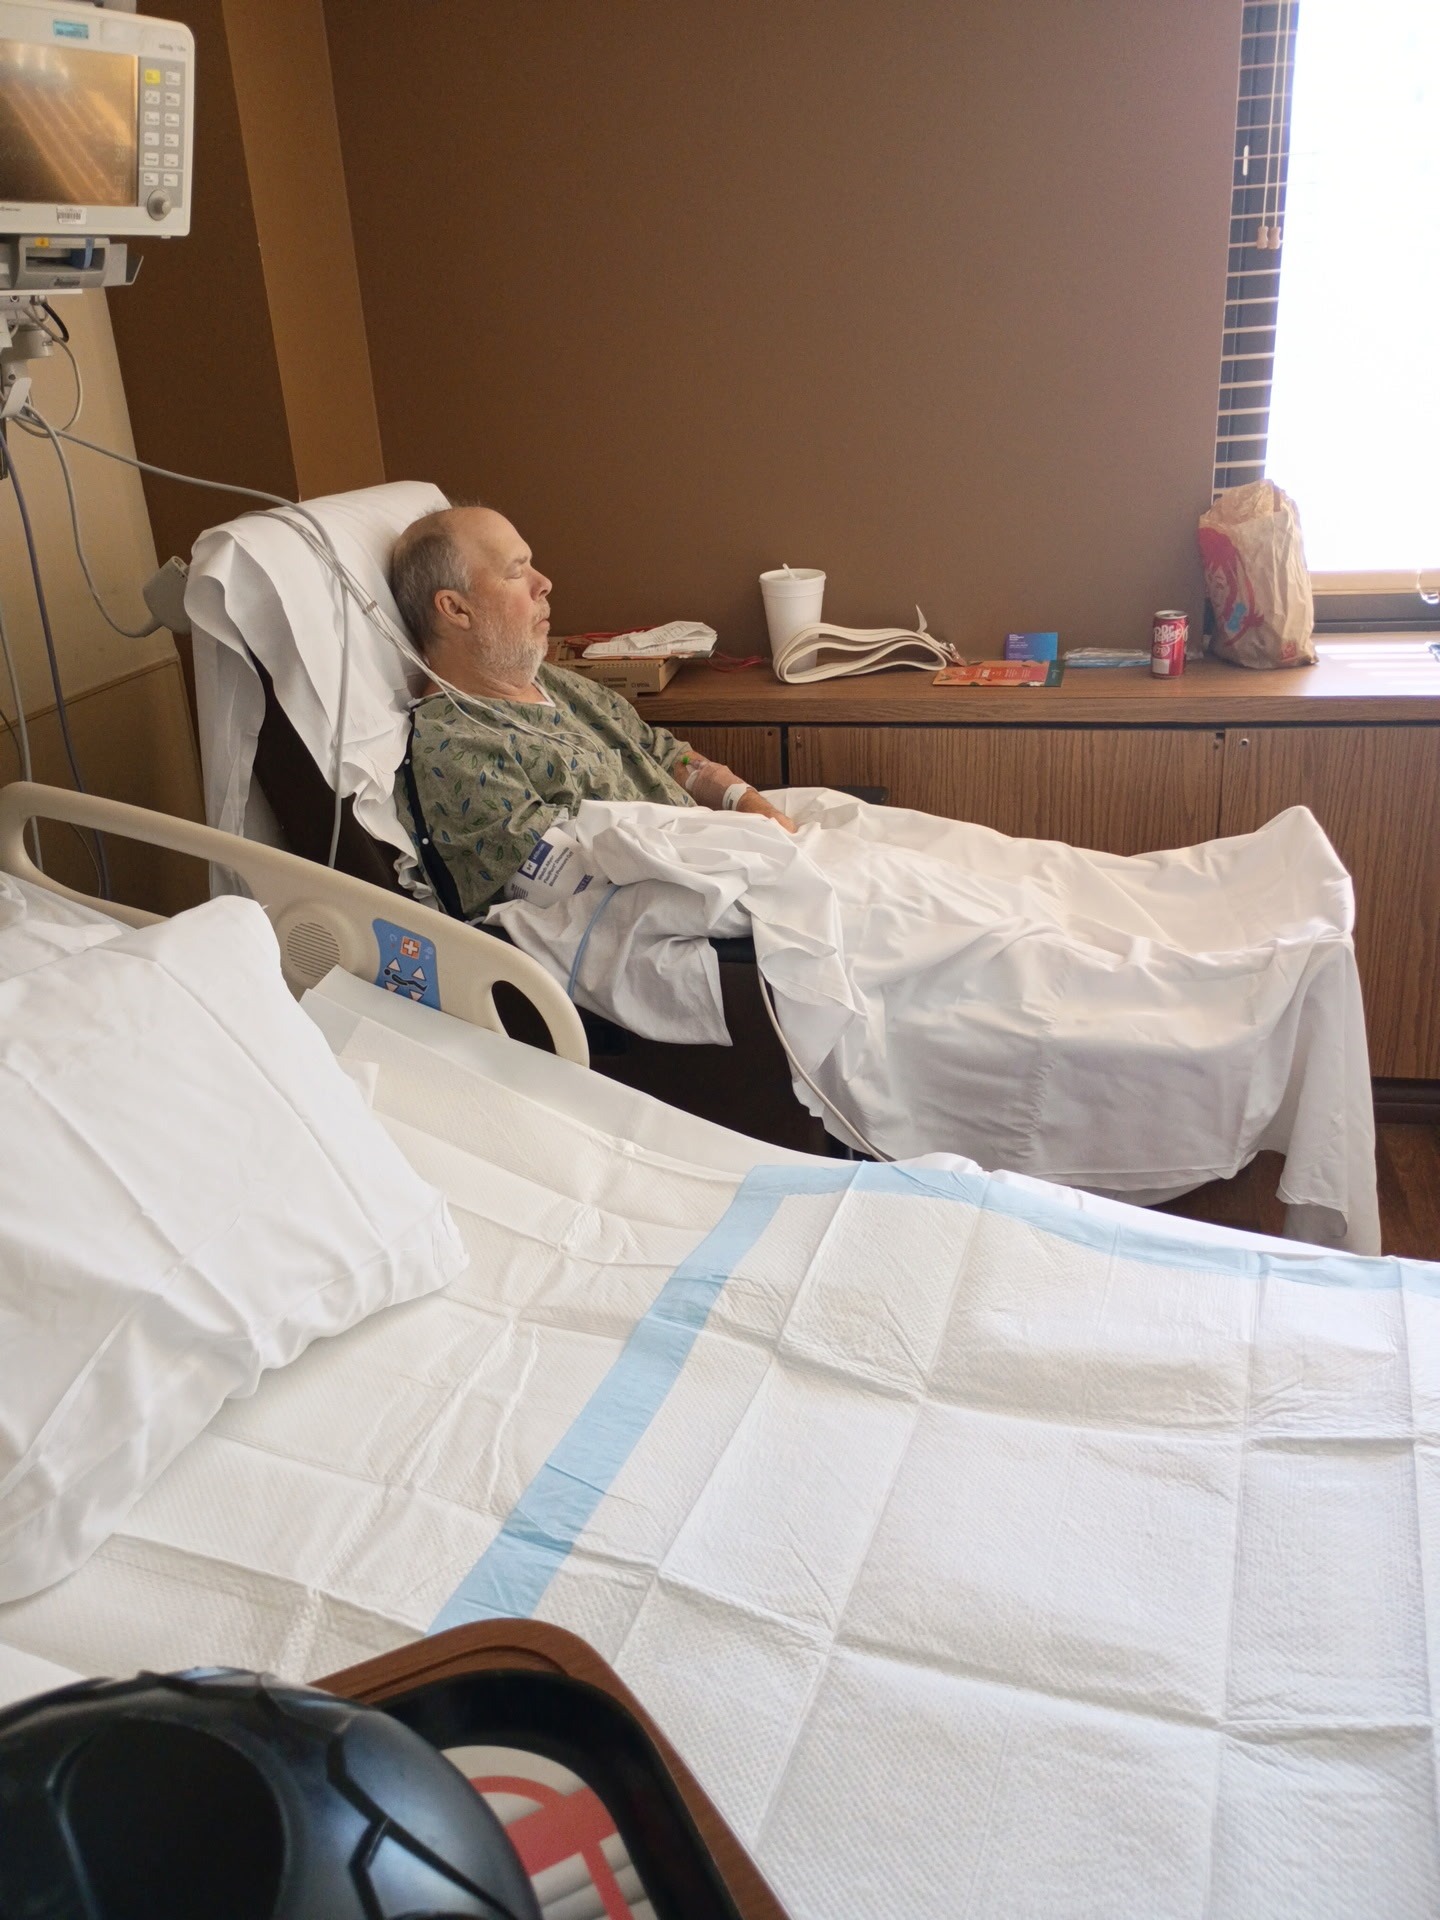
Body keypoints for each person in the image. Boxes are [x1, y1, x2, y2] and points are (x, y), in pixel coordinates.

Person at [391, 504, 795, 915]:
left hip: (721, 852)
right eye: (516, 572)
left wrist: (743, 801)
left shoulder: (555, 682)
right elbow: (587, 900)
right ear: (456, 609)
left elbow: (661, 752)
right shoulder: (454, 750)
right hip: (691, 902)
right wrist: (741, 856)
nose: (544, 583)